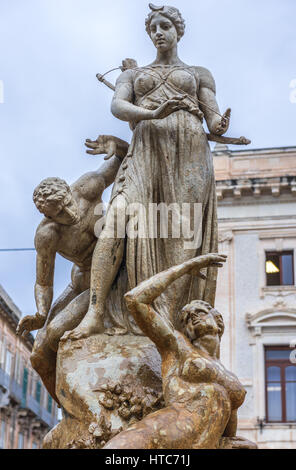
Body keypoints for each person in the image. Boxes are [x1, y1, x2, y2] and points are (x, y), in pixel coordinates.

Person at [65, 4, 231, 342]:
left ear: (177, 30)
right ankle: (96, 313)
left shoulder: (200, 72)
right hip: (145, 151)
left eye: (165, 25)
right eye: (153, 27)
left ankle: (169, 321)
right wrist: (153, 113)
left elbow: (212, 115)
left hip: (190, 153)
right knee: (117, 217)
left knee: (183, 236)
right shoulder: (132, 76)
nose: (158, 31)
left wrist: (220, 124)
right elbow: (117, 106)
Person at [16, 135, 128, 402]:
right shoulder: (47, 235)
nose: (70, 212)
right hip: (84, 281)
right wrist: (41, 312)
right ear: (49, 216)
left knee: (56, 333)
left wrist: (116, 145)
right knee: (41, 347)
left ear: (70, 191)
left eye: (68, 203)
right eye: (60, 212)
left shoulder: (87, 187)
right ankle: (69, 411)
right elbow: (43, 281)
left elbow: (123, 158)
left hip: (120, 266)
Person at [103, 253, 252, 449]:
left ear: (218, 321)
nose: (191, 316)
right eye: (187, 318)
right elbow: (135, 299)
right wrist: (186, 267)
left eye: (199, 311)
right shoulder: (178, 344)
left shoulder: (228, 374)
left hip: (198, 443)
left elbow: (227, 430)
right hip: (161, 433)